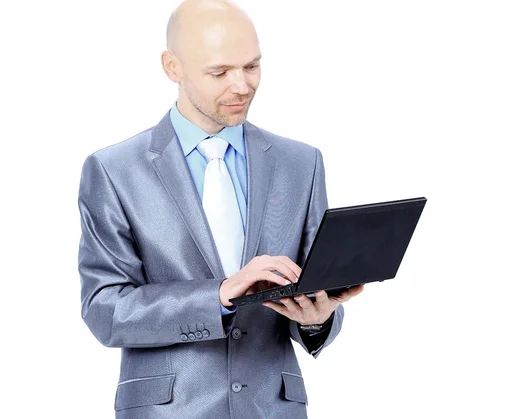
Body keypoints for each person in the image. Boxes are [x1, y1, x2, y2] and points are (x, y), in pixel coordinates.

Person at [77, 0, 364, 418]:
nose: (242, 85)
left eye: (252, 67)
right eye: (220, 72)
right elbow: (105, 309)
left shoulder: (301, 163)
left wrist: (317, 318)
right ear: (172, 67)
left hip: (273, 408)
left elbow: (311, 282)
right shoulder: (114, 170)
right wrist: (219, 295)